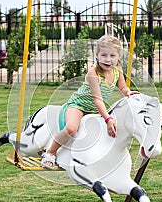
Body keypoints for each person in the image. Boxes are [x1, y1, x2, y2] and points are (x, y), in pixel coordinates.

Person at [41, 35, 139, 168]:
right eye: (104, 55)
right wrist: (108, 119)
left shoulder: (117, 72)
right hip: (79, 105)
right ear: (97, 55)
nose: (108, 59)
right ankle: (51, 153)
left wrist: (128, 92)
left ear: (118, 57)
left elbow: (122, 86)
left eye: (112, 55)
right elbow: (97, 100)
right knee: (71, 129)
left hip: (95, 110)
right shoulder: (93, 72)